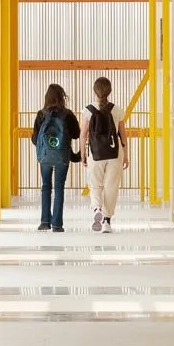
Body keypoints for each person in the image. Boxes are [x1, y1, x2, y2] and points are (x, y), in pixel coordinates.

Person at [30, 82, 81, 233]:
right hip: (62, 155)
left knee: (46, 187)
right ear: (62, 97)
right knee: (59, 188)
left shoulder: (41, 114)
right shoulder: (67, 114)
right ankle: (57, 224)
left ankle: (44, 221)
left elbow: (35, 139)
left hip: (45, 156)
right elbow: (76, 134)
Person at [83, 75, 128, 234]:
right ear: (110, 91)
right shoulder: (117, 109)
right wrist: (126, 155)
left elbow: (83, 135)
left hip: (95, 154)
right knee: (111, 187)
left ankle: (96, 208)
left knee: (95, 184)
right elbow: (123, 135)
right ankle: (107, 221)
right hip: (115, 153)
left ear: (94, 91)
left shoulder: (88, 110)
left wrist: (83, 154)